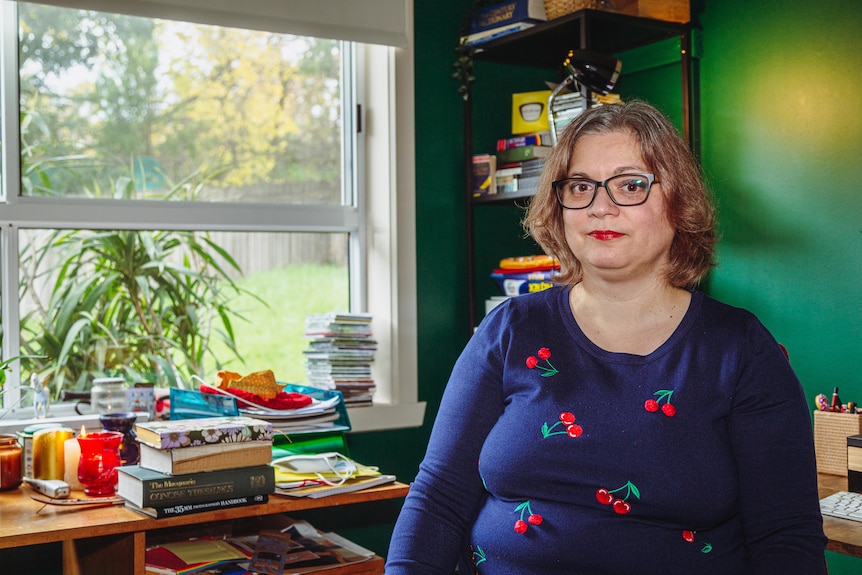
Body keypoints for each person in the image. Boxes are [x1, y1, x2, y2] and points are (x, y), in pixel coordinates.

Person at [385, 100, 827, 574]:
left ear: (679, 203)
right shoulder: (510, 330)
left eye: (630, 185)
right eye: (580, 186)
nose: (600, 207)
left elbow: (785, 538)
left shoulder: (740, 349)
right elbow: (438, 498)